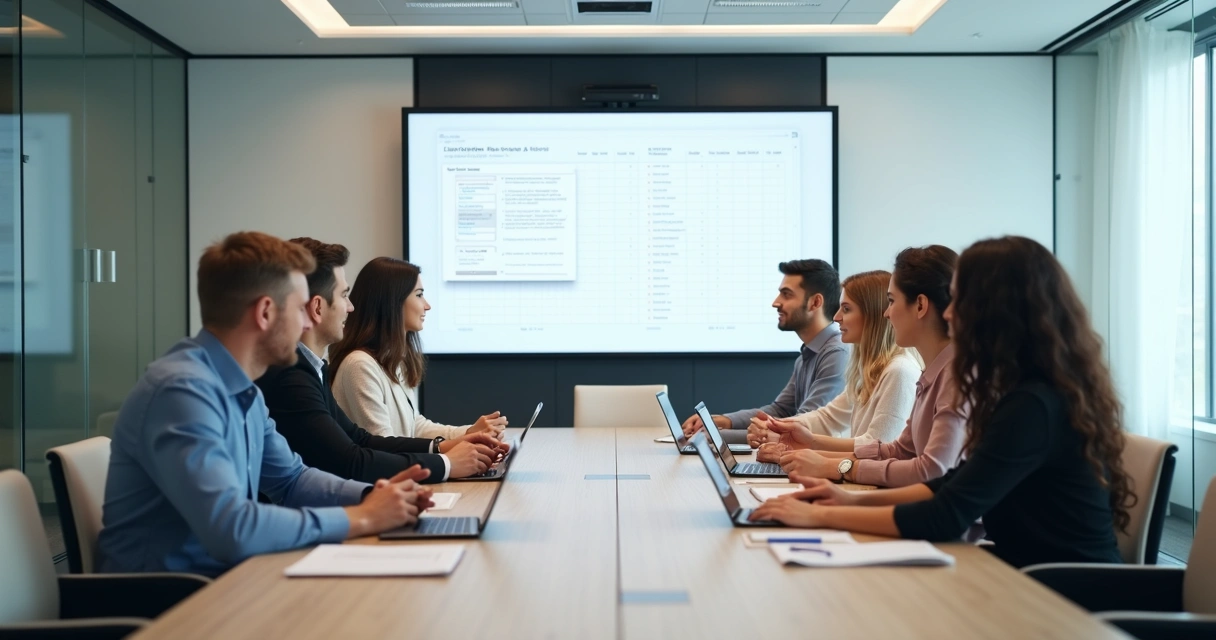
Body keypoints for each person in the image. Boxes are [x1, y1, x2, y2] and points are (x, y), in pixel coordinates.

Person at [750, 236, 1133, 569]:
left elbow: (947, 513)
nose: (948, 312)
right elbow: (949, 485)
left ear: (995, 313)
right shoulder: (1016, 390)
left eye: (959, 300)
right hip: (1023, 573)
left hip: (1062, 594)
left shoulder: (1032, 404)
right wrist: (842, 499)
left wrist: (827, 513)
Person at [99, 231, 432, 577]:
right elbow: (232, 529)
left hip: (224, 583)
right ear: (265, 313)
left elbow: (291, 480)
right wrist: (360, 516)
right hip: (170, 604)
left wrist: (373, 496)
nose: (307, 323)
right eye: (299, 309)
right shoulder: (183, 392)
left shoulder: (242, 389)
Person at [256, 238, 506, 483]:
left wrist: (454, 445)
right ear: (318, 307)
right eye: (344, 295)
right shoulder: (293, 376)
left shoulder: (315, 368)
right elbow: (350, 460)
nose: (350, 307)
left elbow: (361, 439)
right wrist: (448, 463)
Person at [757, 247, 968, 487]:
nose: (886, 314)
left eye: (891, 302)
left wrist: (833, 467)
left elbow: (929, 472)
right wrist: (810, 446)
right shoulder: (929, 374)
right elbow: (898, 451)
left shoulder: (927, 373)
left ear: (920, 306)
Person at [752, 270, 920, 475]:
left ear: (874, 314)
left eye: (846, 309)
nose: (837, 317)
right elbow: (828, 417)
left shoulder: (899, 371)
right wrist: (778, 426)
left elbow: (876, 448)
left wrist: (802, 450)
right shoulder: (868, 371)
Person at [329, 257, 507, 439]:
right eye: (419, 294)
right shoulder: (359, 366)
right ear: (393, 301)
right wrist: (455, 455)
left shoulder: (393, 359)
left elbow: (415, 427)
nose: (427, 306)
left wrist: (470, 433)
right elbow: (383, 447)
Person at [681, 259, 850, 446]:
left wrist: (715, 436)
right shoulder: (808, 354)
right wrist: (723, 421)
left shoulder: (837, 353)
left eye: (786, 295)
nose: (776, 303)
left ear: (815, 302)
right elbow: (780, 410)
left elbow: (803, 425)